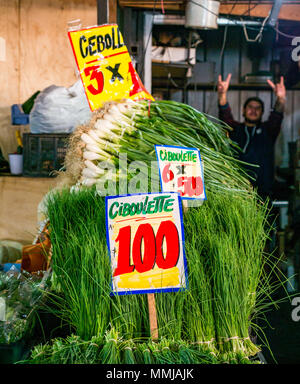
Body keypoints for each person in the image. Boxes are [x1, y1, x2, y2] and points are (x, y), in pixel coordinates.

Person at [217, 73, 286, 200]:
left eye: (258, 108)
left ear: (262, 112)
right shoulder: (235, 129)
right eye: (250, 107)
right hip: (237, 191)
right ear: (243, 110)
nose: (253, 110)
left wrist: (281, 99)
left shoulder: (268, 130)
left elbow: (277, 115)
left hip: (264, 194)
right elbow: (225, 115)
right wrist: (222, 95)